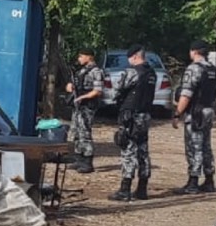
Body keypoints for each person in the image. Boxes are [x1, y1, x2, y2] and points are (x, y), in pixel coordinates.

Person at [171, 39, 216, 193]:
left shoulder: (193, 69)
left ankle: (193, 182)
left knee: (194, 146)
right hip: (208, 110)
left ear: (193, 52)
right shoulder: (213, 69)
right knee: (206, 146)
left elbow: (186, 94)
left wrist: (177, 113)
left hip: (196, 113)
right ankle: (209, 179)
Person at [108, 44, 154, 201]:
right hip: (145, 116)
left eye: (129, 58)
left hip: (131, 116)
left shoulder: (133, 72)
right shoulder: (151, 72)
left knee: (128, 150)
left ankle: (125, 189)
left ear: (134, 56)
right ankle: (142, 189)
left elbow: (117, 90)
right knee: (143, 152)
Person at [65, 46, 104, 174]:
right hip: (78, 106)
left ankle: (87, 162)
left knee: (85, 133)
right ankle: (78, 158)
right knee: (76, 132)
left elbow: (97, 91)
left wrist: (83, 97)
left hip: (87, 106)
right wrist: (70, 86)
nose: (79, 59)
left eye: (81, 56)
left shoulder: (96, 71)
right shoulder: (82, 71)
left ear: (89, 57)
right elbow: (74, 84)